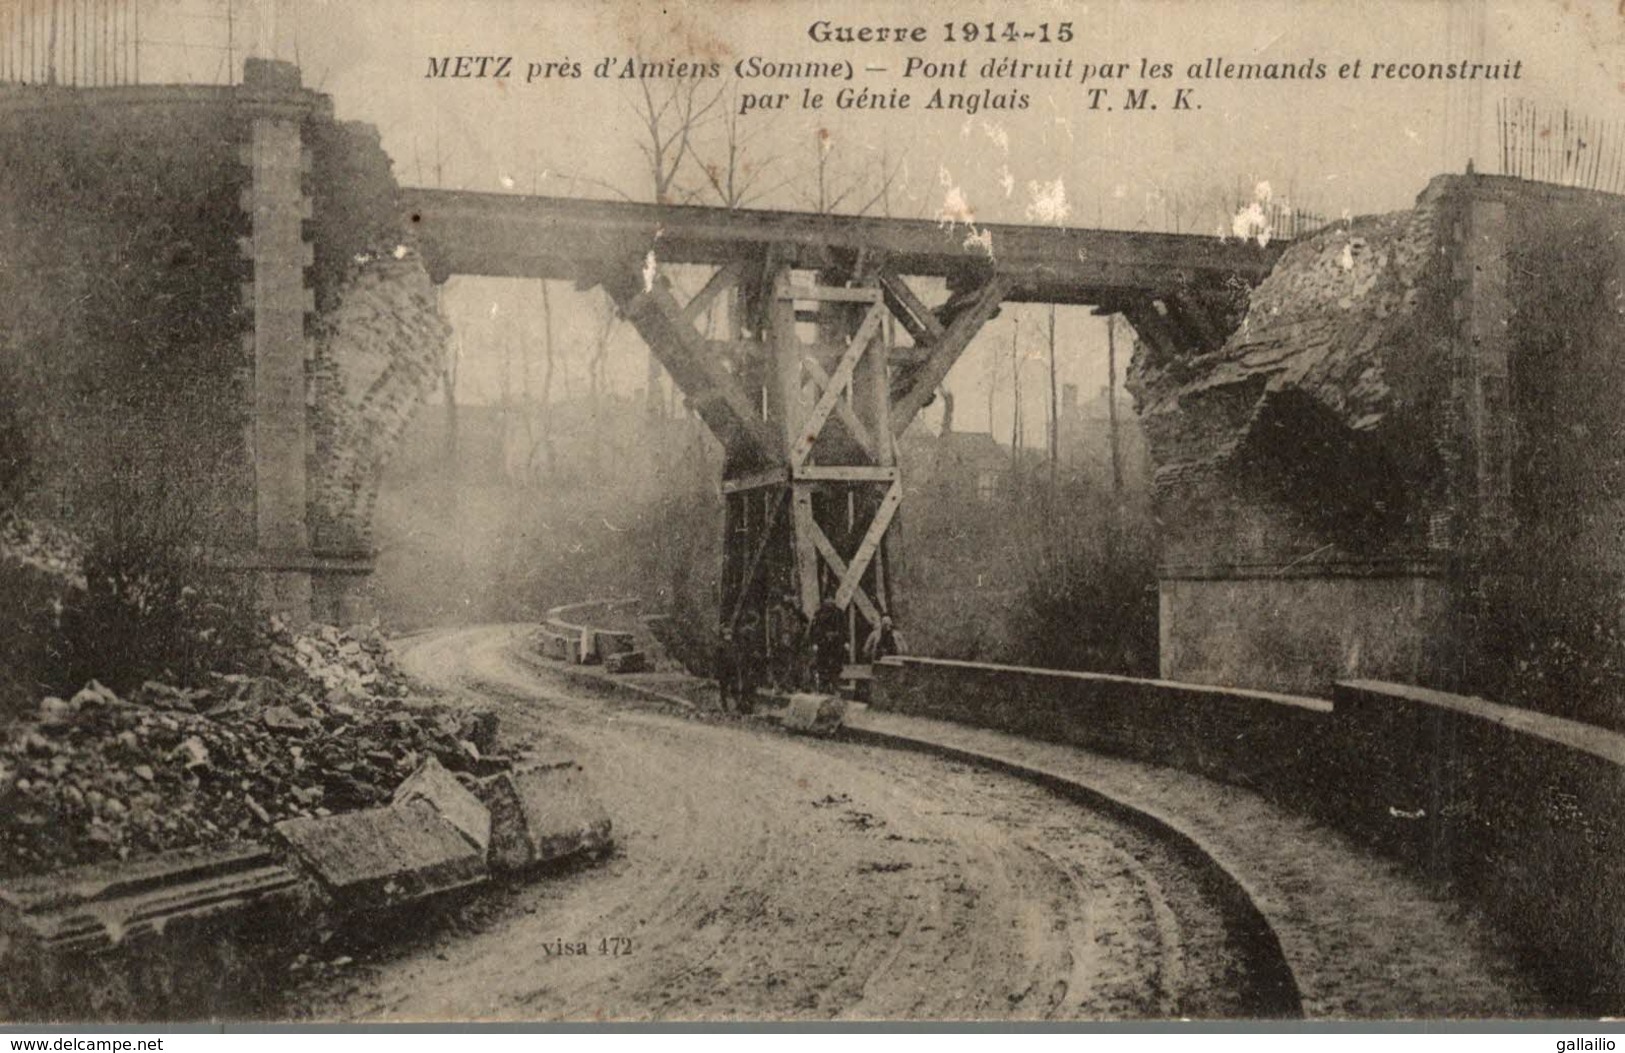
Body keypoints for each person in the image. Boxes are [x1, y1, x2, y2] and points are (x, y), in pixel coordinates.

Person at [810, 598, 847, 693]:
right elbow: (814, 630)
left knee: (836, 665)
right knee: (823, 664)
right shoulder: (819, 614)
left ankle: (834, 685)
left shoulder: (839, 614)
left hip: (836, 643)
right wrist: (815, 642)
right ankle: (824, 686)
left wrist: (846, 641)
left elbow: (844, 628)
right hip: (823, 643)